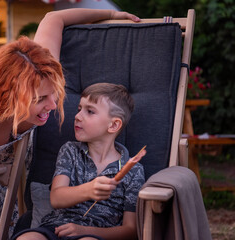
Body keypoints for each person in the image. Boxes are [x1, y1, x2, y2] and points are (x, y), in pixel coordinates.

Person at [0, 9, 141, 240]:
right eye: (40, 100)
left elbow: (54, 18)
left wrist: (112, 13)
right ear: (12, 99)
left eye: (53, 94)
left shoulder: (40, 73)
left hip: (10, 124)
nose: (52, 105)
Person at [13, 83, 146, 240]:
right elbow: (56, 198)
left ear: (114, 125)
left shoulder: (133, 171)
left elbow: (131, 230)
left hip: (96, 235)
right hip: (56, 228)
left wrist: (86, 231)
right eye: (79, 109)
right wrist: (89, 190)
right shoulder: (70, 151)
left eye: (90, 111)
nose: (77, 116)